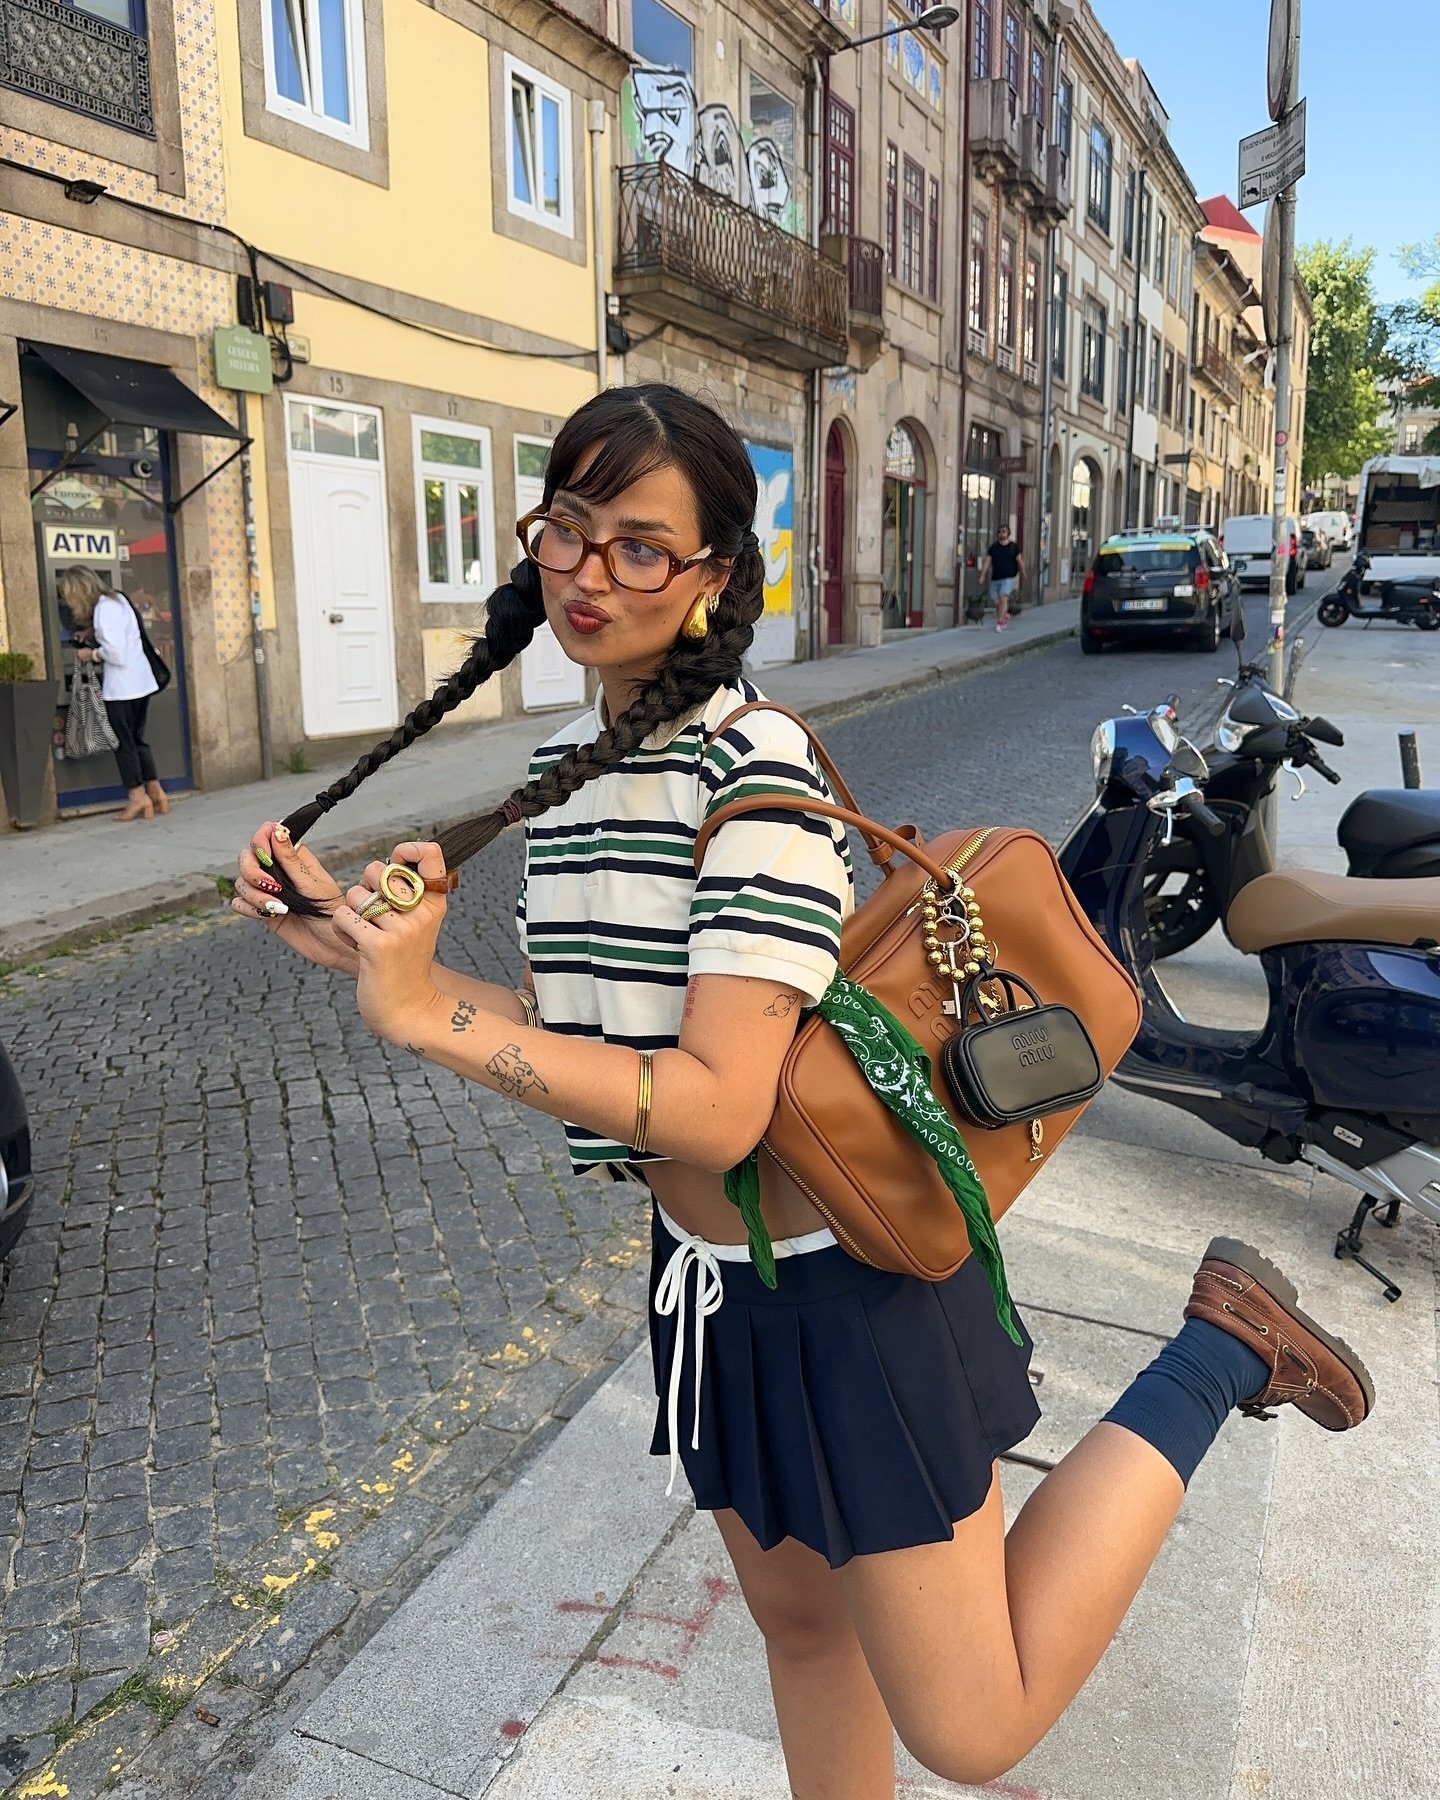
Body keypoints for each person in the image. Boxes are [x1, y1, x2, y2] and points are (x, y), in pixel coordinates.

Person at [231, 385, 1372, 1795]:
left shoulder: (747, 772)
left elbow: (715, 1105)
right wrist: (375, 958)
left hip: (850, 1283)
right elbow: (576, 1034)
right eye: (567, 528)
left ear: (716, 575)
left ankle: (1222, 1349)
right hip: (707, 1284)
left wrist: (419, 1016)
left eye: (641, 545)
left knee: (970, 1726)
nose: (590, 572)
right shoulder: (561, 780)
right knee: (800, 1628)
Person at [58, 565, 166, 821]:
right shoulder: (117, 599)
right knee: (138, 739)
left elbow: (116, 653)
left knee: (123, 743)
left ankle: (137, 797)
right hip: (141, 682)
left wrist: (90, 653)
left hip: (122, 688)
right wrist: (93, 634)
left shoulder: (102, 610)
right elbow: (124, 635)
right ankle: (156, 792)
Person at [977, 523, 1024, 631]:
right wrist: (983, 575)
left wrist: (1023, 572)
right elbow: (987, 562)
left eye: (1004, 531)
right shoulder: (994, 547)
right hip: (995, 577)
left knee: (1003, 598)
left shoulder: (1013, 547)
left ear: (1008, 533)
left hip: (1007, 577)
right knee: (996, 601)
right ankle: (1005, 613)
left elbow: (1019, 561)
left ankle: (1000, 622)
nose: (1002, 533)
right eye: (1000, 531)